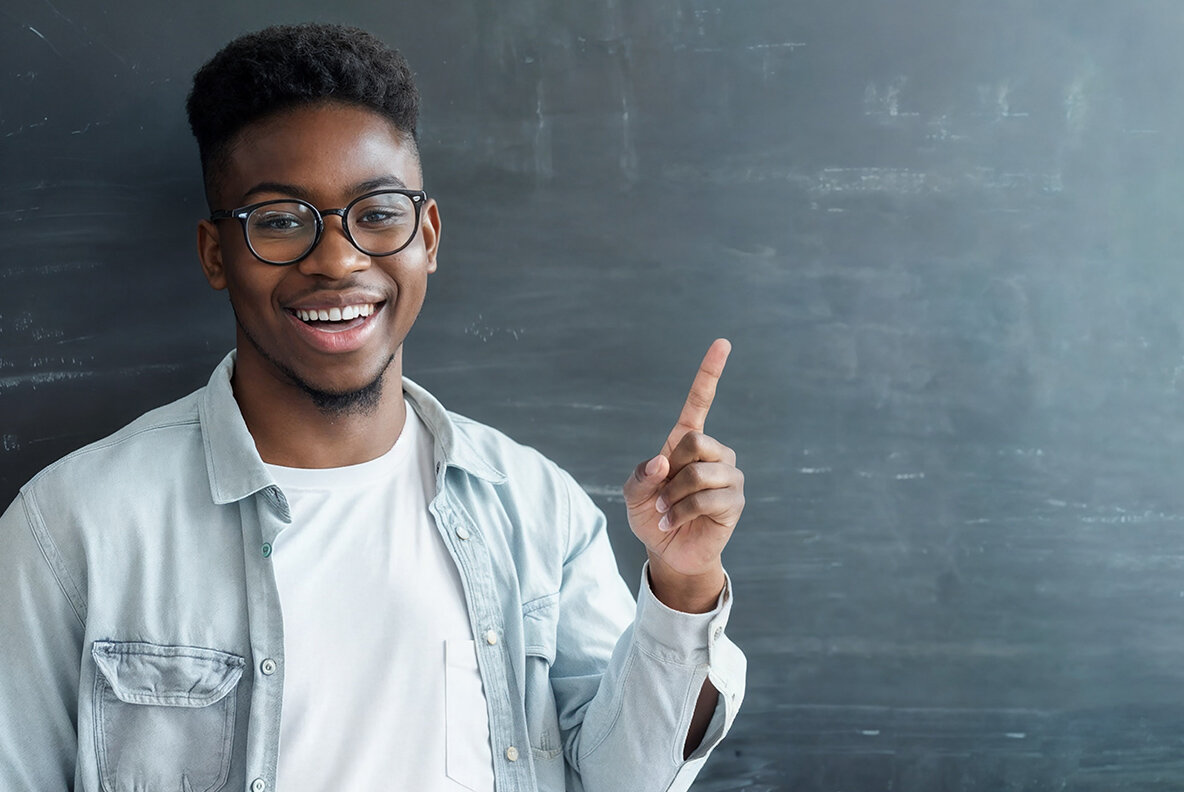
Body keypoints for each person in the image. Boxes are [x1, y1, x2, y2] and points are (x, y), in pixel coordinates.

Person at [0, 23, 746, 792]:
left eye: (379, 213)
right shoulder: (71, 528)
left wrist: (684, 588)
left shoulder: (536, 509)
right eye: (281, 222)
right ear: (215, 254)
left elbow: (625, 781)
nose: (338, 259)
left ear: (426, 235)